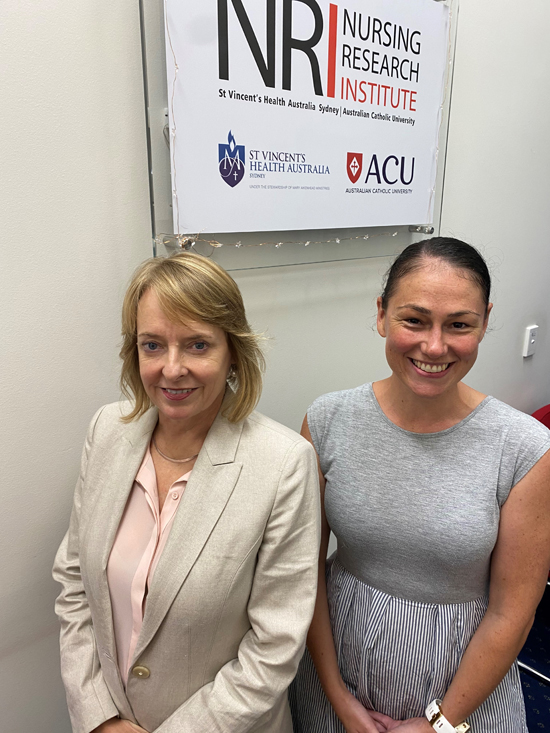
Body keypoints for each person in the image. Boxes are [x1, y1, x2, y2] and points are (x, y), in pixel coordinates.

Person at [290, 237, 550, 733]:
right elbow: (305, 575)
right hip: (335, 666)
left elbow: (511, 613)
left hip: (465, 690)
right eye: (414, 320)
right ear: (383, 313)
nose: (435, 346)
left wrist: (441, 722)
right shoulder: (328, 420)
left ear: (485, 320)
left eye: (459, 325)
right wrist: (336, 696)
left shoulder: (525, 449)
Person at [53, 251, 320, 733]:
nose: (171, 369)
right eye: (152, 345)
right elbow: (74, 583)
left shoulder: (283, 465)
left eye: (197, 345)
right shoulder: (107, 431)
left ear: (233, 352)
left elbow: (274, 646)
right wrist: (99, 716)